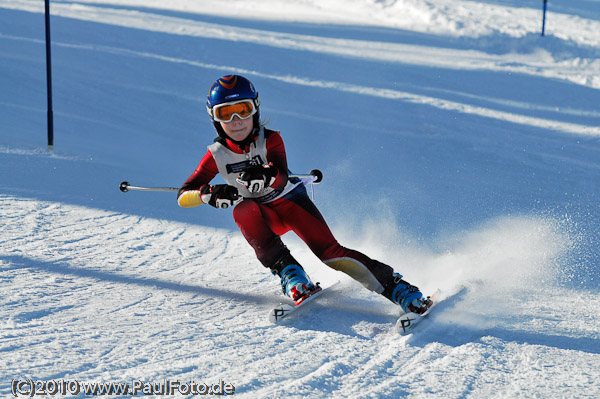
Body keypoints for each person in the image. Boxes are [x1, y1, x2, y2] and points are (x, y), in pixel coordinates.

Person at [177, 74, 431, 314]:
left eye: (243, 110)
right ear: (215, 118)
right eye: (225, 113)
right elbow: (183, 195)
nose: (235, 120)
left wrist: (266, 175)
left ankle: (399, 289)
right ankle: (292, 275)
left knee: (331, 254)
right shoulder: (217, 154)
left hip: (291, 204)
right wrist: (207, 194)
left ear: (256, 109)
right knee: (242, 210)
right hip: (263, 216)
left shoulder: (271, 140)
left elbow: (281, 175)